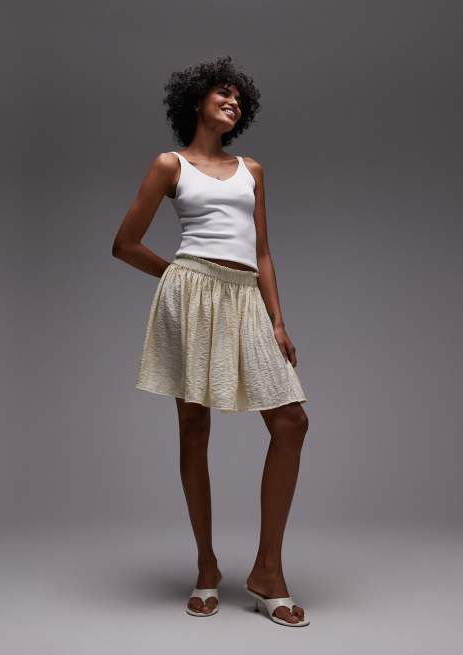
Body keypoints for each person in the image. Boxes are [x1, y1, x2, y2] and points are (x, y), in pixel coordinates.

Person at [111, 56, 310, 627]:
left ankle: (267, 570)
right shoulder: (169, 165)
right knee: (194, 428)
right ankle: (206, 566)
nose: (233, 102)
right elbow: (125, 243)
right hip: (192, 297)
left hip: (246, 298)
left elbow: (262, 251)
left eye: (239, 99)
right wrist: (178, 277)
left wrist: (277, 321)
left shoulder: (252, 169)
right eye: (223, 93)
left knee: (291, 421)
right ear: (196, 100)